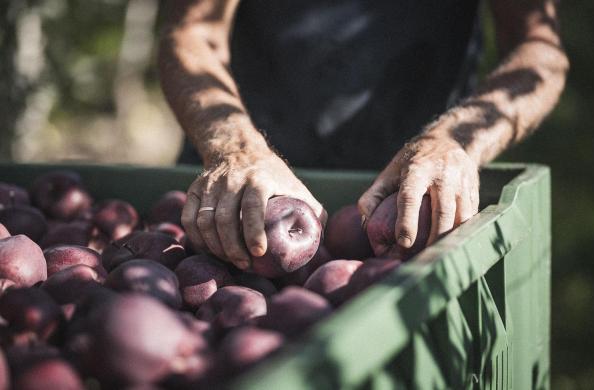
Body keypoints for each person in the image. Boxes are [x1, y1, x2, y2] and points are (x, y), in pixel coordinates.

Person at [158, 0, 569, 270]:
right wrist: (235, 150)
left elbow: (538, 47)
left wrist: (455, 139)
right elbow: (192, 32)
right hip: (237, 197)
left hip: (413, 208)